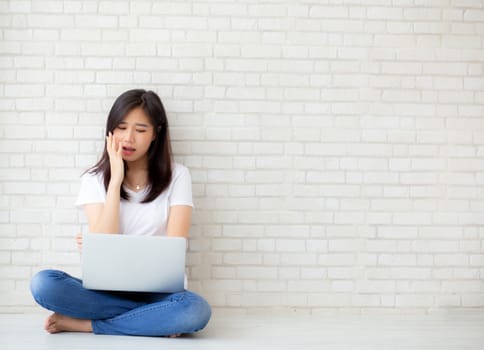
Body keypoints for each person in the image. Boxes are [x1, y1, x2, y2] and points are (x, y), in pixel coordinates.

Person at [30, 89, 211, 337]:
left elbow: (175, 249)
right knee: (44, 284)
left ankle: (87, 324)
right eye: (121, 127)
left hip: (160, 291)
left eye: (140, 130)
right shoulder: (93, 179)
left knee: (194, 310)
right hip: (106, 291)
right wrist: (115, 181)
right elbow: (105, 241)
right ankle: (153, 318)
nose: (128, 138)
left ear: (155, 134)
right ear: (110, 130)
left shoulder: (178, 176)